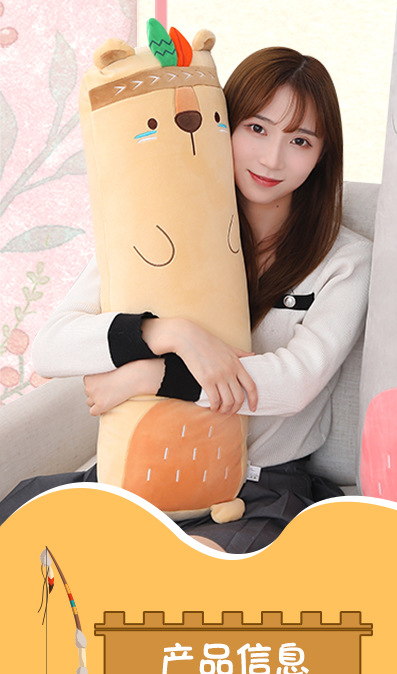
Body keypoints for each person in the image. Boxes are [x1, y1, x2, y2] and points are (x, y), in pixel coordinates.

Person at [0, 47, 371, 553]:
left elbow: (293, 382)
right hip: (143, 470)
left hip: (258, 488)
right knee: (27, 541)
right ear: (224, 124)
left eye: (300, 140)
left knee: (190, 576)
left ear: (323, 155)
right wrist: (168, 332)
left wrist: (151, 376)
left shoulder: (345, 260)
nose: (272, 159)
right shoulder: (157, 225)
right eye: (256, 128)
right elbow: (51, 346)